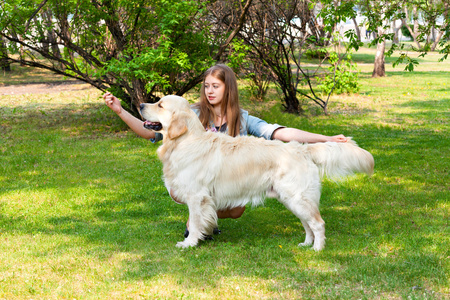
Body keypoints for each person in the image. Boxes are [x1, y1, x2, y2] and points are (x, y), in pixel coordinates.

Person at [104, 64, 348, 237]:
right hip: (194, 180)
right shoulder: (193, 114)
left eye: (216, 86)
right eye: (207, 86)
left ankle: (203, 219)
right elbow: (151, 132)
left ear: (227, 88)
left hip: (229, 181)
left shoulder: (242, 118)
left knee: (236, 208)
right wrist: (120, 111)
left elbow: (279, 132)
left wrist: (325, 139)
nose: (210, 91)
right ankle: (199, 220)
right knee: (195, 195)